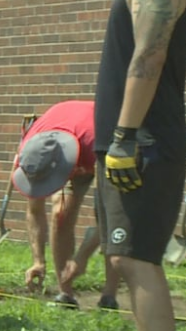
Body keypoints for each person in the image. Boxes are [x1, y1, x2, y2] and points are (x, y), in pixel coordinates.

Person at [93, 0, 186, 331]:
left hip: (143, 141)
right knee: (125, 256)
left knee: (136, 259)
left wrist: (125, 137)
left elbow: (147, 58)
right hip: (135, 140)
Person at [12, 100, 120, 310]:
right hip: (69, 145)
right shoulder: (31, 153)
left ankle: (109, 296)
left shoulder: (97, 141)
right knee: (60, 213)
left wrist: (82, 256)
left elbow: (112, 217)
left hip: (104, 147)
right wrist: (38, 260)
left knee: (107, 216)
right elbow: (34, 210)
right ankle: (65, 293)